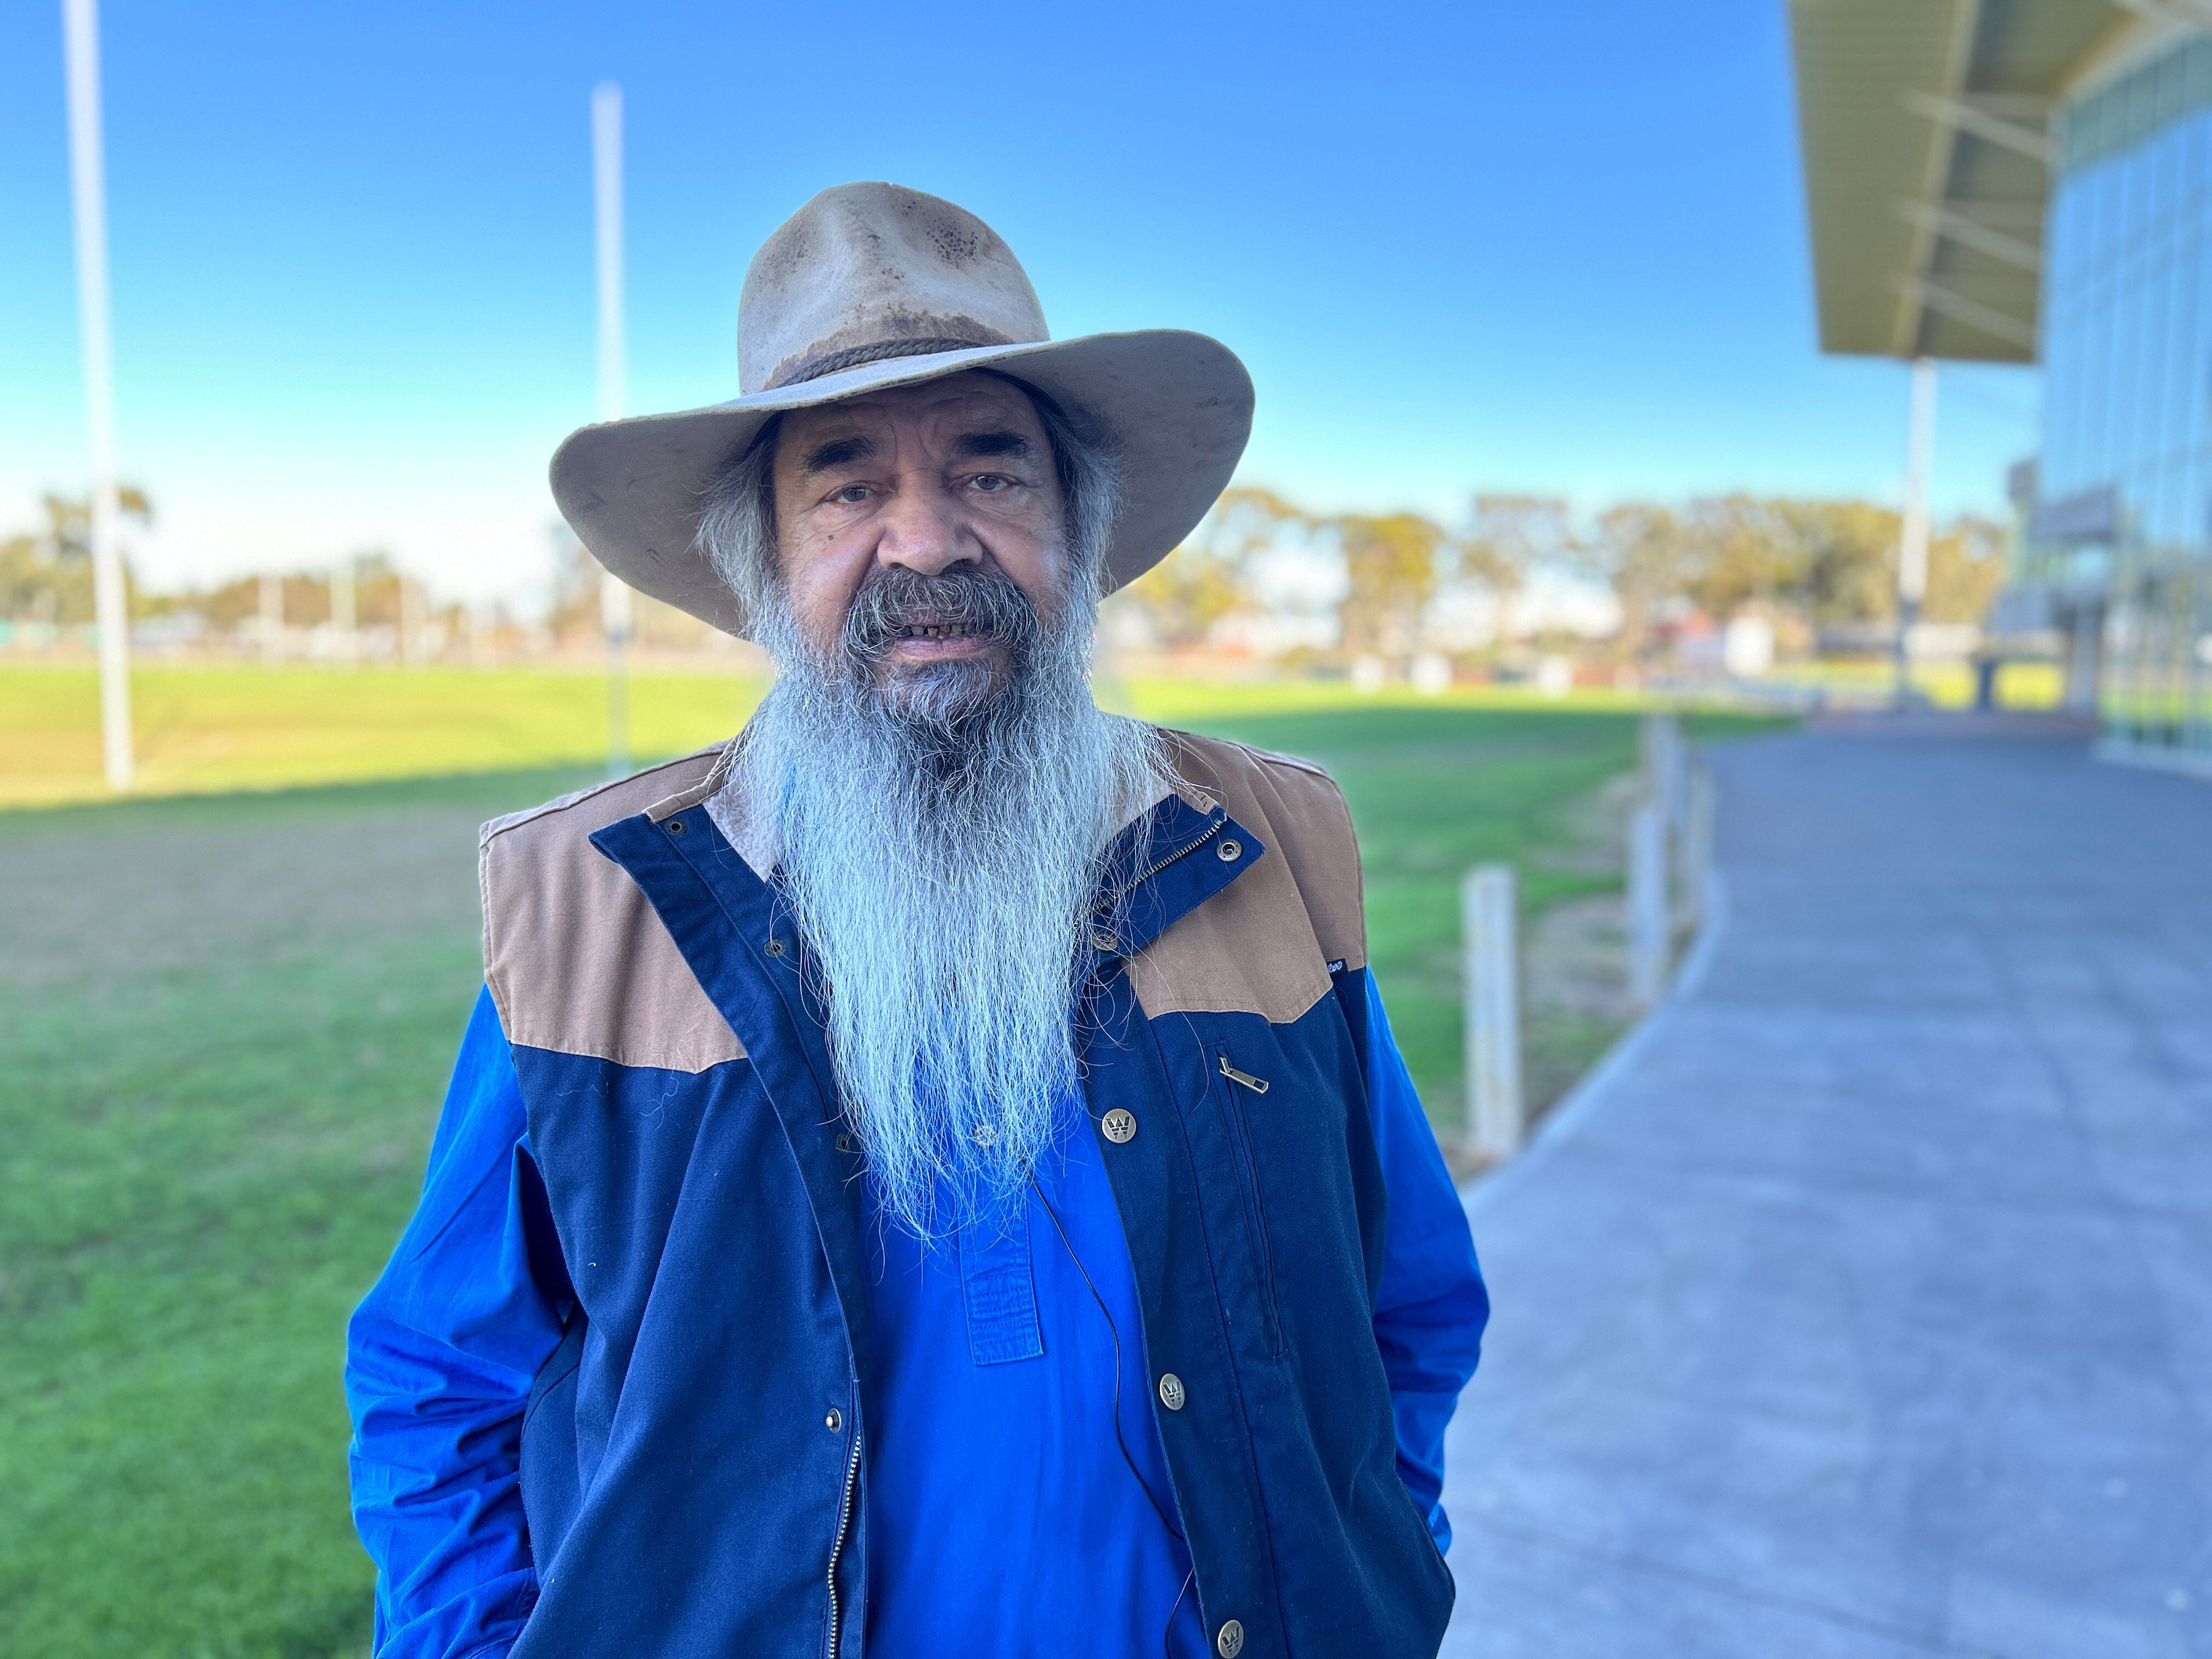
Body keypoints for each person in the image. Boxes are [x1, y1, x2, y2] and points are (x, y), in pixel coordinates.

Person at [344, 182, 1487, 1659]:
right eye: (845, 487)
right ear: (763, 559)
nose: (925, 541)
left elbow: (1407, 1314)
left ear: (1075, 525)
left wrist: (1378, 1581)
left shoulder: (1268, 850)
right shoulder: (596, 910)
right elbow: (439, 1383)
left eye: (991, 473)